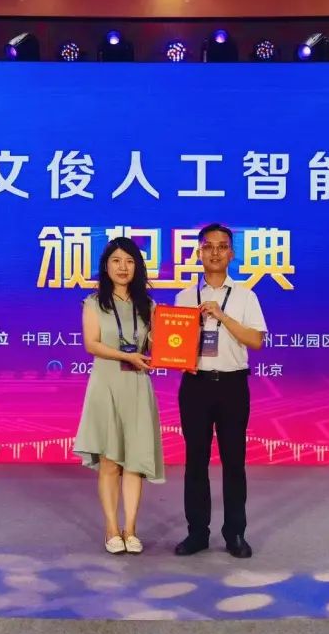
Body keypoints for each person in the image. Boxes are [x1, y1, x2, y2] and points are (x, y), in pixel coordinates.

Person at [173, 223, 267, 559]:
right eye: (208, 246)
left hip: (232, 385)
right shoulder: (184, 297)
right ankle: (197, 533)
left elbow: (256, 340)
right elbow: (175, 344)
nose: (215, 252)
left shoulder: (245, 296)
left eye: (222, 246)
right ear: (199, 252)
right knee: (195, 462)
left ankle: (235, 533)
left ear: (231, 253)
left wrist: (221, 315)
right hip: (195, 386)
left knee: (234, 462)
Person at [74, 237, 164, 555]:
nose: (123, 267)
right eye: (116, 261)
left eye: (129, 261)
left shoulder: (148, 305)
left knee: (135, 462)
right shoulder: (93, 303)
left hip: (137, 386)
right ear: (106, 266)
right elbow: (92, 344)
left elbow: (154, 347)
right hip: (107, 385)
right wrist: (127, 356)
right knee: (111, 462)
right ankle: (112, 528)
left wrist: (165, 341)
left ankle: (131, 529)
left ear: (137, 267)